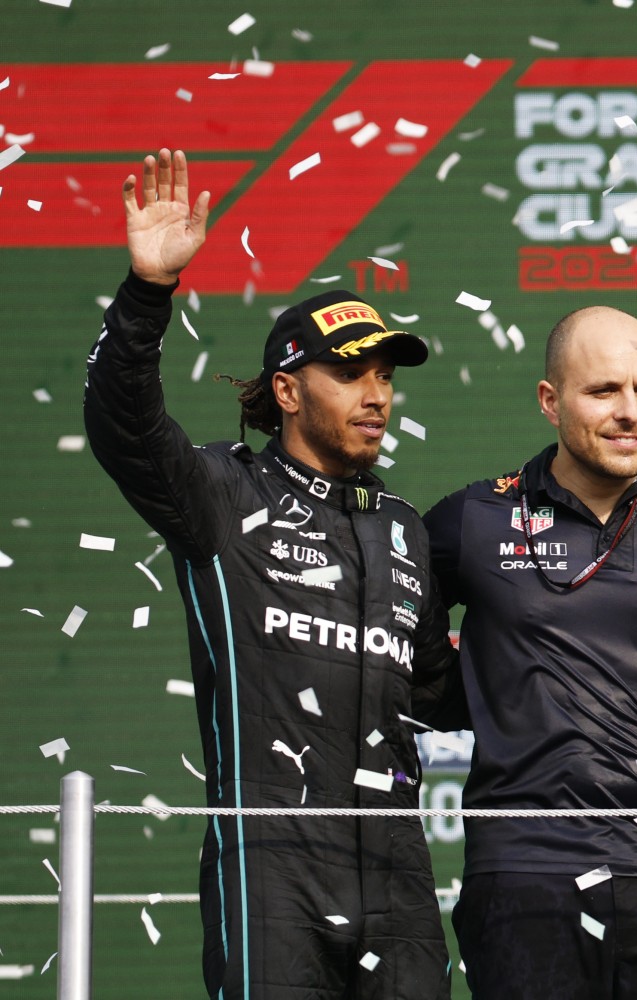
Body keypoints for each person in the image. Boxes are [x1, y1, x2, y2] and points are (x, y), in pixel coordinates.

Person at [83, 149, 458, 998]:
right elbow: (122, 424)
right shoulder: (220, 491)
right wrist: (148, 293)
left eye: (386, 375)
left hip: (398, 876)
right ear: (287, 392)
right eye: (352, 372)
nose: (378, 394)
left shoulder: (402, 529)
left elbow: (441, 692)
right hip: (272, 870)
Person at [423, 306, 637, 999]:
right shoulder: (472, 519)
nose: (630, 412)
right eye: (603, 391)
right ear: (550, 400)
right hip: (524, 872)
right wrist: (483, 700)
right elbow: (398, 644)